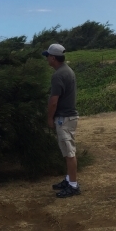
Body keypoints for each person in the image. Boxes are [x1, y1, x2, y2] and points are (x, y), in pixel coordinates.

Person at [45, 44, 81, 198]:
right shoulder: (67, 71)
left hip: (64, 118)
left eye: (47, 56)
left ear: (53, 58)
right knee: (68, 151)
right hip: (68, 117)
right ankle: (69, 179)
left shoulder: (58, 75)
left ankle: (73, 185)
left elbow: (54, 101)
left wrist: (49, 118)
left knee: (69, 152)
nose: (46, 58)